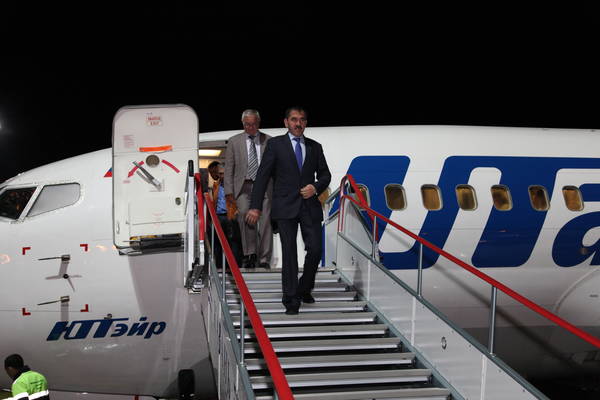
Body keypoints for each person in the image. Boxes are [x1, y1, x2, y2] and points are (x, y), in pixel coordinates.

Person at [247, 107, 331, 315]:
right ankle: (291, 298)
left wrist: (315, 187)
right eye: (294, 119)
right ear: (286, 122)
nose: (298, 123)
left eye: (302, 120)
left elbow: (325, 175)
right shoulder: (276, 145)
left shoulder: (314, 147)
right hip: (285, 206)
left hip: (309, 205)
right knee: (289, 252)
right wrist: (255, 206)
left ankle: (304, 287)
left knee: (315, 250)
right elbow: (262, 176)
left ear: (306, 123)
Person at [224, 109, 273, 269]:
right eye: (247, 124)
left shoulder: (269, 141)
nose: (250, 127)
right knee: (245, 215)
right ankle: (250, 254)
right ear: (243, 123)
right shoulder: (234, 141)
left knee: (265, 221)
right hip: (243, 186)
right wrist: (229, 192)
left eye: (253, 124)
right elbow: (229, 169)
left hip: (264, 186)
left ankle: (264, 259)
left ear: (258, 123)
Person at [211, 164, 243, 269]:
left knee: (233, 241)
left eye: (223, 173)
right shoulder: (216, 185)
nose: (221, 176)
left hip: (231, 216)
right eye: (220, 173)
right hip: (219, 216)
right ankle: (220, 266)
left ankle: (235, 266)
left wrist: (237, 210)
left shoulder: (234, 185)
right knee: (219, 242)